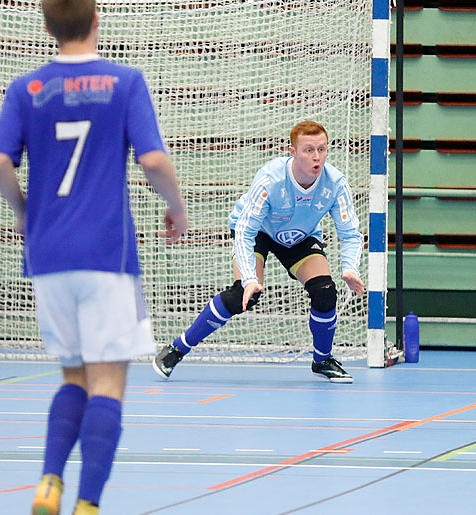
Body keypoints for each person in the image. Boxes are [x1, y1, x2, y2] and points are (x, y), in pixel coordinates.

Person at [0, 0, 187, 515]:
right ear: (96, 21)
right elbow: (152, 159)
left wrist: (25, 212)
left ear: (48, 27)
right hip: (106, 253)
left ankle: (48, 486)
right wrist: (176, 208)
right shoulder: (124, 82)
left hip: (48, 256)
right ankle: (86, 513)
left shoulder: (26, 89)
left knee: (72, 376)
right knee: (109, 382)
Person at [153, 120, 365, 383]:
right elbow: (244, 231)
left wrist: (349, 268)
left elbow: (350, 232)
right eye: (308, 150)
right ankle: (176, 349)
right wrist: (250, 279)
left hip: (300, 235)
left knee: (325, 291)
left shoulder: (335, 183)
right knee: (243, 294)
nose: (317, 157)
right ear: (292, 151)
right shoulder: (271, 179)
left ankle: (322, 360)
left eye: (322, 149)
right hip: (259, 233)